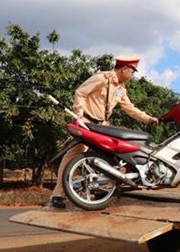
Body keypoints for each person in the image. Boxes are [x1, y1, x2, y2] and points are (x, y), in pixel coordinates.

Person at [49, 55, 159, 208]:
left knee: (107, 159)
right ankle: (57, 195)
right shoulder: (102, 78)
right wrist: (79, 113)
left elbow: (130, 109)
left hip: (103, 127)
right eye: (132, 71)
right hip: (87, 122)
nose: (133, 75)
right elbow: (81, 92)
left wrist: (149, 119)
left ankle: (100, 191)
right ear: (125, 68)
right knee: (73, 156)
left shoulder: (121, 89)